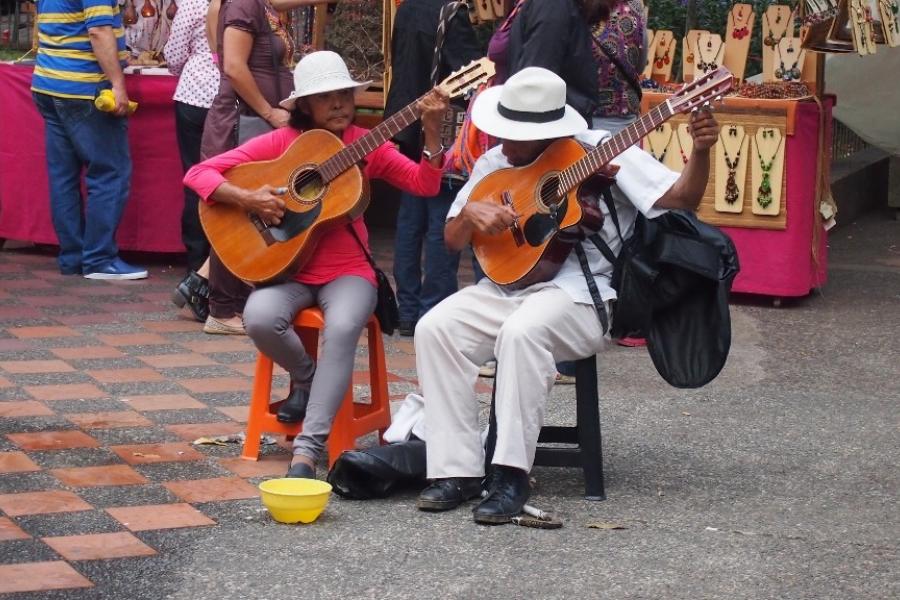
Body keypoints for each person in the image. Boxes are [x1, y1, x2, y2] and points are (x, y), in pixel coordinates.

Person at [414, 67, 718, 524]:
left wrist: (700, 151)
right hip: (504, 287)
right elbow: (453, 239)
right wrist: (469, 215)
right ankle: (456, 471)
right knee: (434, 328)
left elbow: (681, 198)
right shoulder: (493, 164)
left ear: (546, 132)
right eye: (501, 129)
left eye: (514, 134)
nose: (502, 141)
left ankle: (509, 476)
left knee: (522, 333)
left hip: (581, 298)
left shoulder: (597, 152)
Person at [183, 51, 449, 479]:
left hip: (349, 273)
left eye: (344, 94)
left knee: (343, 328)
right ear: (304, 105)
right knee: (258, 317)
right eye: (326, 97)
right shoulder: (283, 143)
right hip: (289, 269)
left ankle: (307, 449)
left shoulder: (368, 146)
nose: (340, 103)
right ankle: (307, 378)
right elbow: (200, 174)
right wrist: (250, 199)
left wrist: (432, 133)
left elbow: (424, 184)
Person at [178, 0, 320, 334]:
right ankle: (223, 308)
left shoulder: (261, 4)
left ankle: (230, 301)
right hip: (244, 122)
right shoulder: (243, 4)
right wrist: (270, 113)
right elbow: (234, 66)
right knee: (237, 213)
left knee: (255, 210)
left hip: (253, 120)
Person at [383, 0, 482, 337]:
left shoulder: (408, 7)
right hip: (439, 129)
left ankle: (408, 312)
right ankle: (432, 312)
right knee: (442, 222)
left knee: (410, 223)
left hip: (403, 125)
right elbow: (469, 77)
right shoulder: (453, 13)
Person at [31, 0, 148, 279]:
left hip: (49, 82)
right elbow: (98, 31)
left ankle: (73, 256)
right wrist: (118, 83)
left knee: (63, 177)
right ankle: (98, 258)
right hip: (83, 87)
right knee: (110, 173)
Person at [166, 0, 222, 320]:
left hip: (195, 95)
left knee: (196, 182)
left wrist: (189, 65)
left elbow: (174, 53)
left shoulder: (195, 2)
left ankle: (197, 267)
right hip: (233, 97)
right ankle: (208, 272)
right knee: (226, 184)